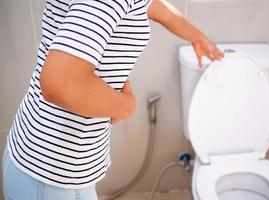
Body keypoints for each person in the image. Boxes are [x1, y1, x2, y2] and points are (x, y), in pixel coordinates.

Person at [2, 0, 224, 199]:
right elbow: (60, 84)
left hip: (45, 158)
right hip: (53, 171)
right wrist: (126, 105)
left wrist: (197, 36)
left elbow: (156, 7)